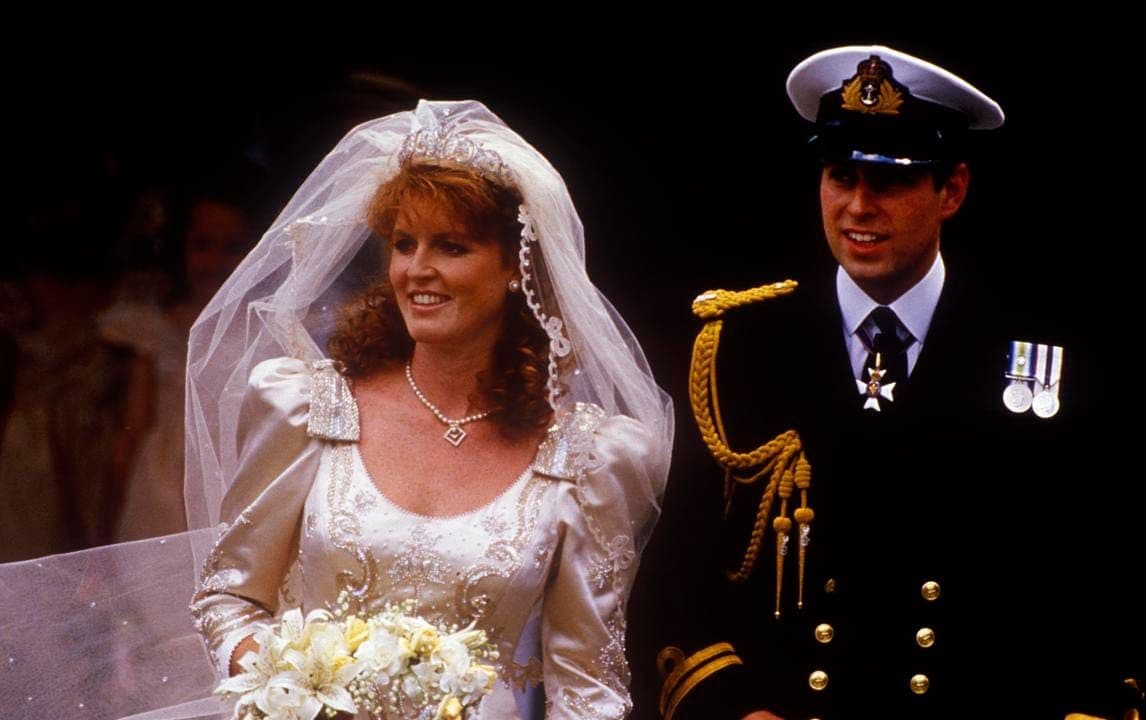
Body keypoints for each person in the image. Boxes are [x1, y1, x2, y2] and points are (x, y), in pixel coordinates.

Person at [0, 100, 672, 720]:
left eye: (453, 246)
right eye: (405, 244)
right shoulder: (309, 408)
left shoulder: (586, 460)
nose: (418, 269)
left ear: (514, 269)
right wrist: (296, 691)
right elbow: (230, 599)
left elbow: (588, 690)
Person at [632, 46, 1146, 719]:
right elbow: (675, 581)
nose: (858, 206)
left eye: (891, 180)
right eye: (840, 175)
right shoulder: (739, 346)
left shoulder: (1045, 351)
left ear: (953, 191)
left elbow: (1104, 586)